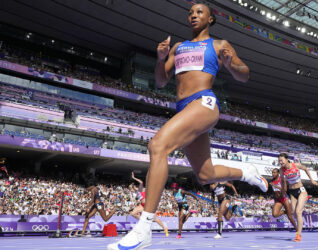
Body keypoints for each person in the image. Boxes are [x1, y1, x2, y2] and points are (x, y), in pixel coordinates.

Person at [108, 3, 267, 249]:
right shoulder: (178, 47)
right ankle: (246, 171)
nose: (193, 15)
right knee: (206, 176)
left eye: (199, 12)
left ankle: (144, 227)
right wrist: (161, 59)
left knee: (158, 145)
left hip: (204, 102)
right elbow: (161, 81)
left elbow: (244, 74)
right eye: (190, 12)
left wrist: (231, 64)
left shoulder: (219, 45)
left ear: (211, 19)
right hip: (184, 108)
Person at [278, 153, 318, 242]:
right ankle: (300, 227)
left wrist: (312, 180)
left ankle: (298, 235)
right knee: (294, 214)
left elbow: (306, 169)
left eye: (282, 160)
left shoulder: (295, 165)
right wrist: (283, 192)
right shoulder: (281, 170)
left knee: (298, 212)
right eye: (279, 161)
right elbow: (282, 181)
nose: (280, 162)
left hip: (301, 190)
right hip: (292, 192)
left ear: (287, 159)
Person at [129, 172, 169, 237]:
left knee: (155, 219)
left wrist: (134, 178)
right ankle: (144, 221)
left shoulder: (139, 190)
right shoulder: (136, 193)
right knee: (132, 213)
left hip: (148, 205)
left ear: (133, 188)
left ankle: (165, 228)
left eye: (131, 190)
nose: (131, 191)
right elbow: (141, 199)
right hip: (142, 205)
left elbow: (141, 182)